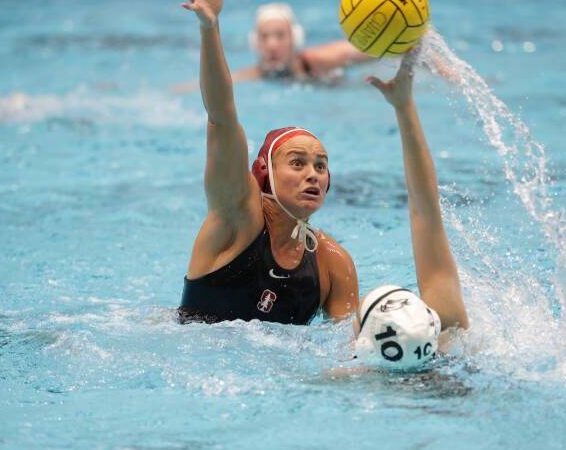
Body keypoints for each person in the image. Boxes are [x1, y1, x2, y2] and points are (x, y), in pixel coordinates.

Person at [177, 0, 358, 325]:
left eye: (320, 166)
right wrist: (210, 28)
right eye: (298, 163)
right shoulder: (236, 218)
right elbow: (221, 118)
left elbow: (351, 354)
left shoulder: (334, 264)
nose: (313, 175)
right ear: (264, 173)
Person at [351, 50, 468, 368]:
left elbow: (423, 207)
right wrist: (405, 105)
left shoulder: (353, 381)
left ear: (363, 345)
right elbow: (425, 207)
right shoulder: (450, 332)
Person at [171, 2, 372, 93]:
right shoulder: (256, 75)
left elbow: (374, 49)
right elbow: (212, 86)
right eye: (264, 37)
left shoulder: (318, 60)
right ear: (255, 43)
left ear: (295, 39)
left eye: (279, 35)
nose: (272, 45)